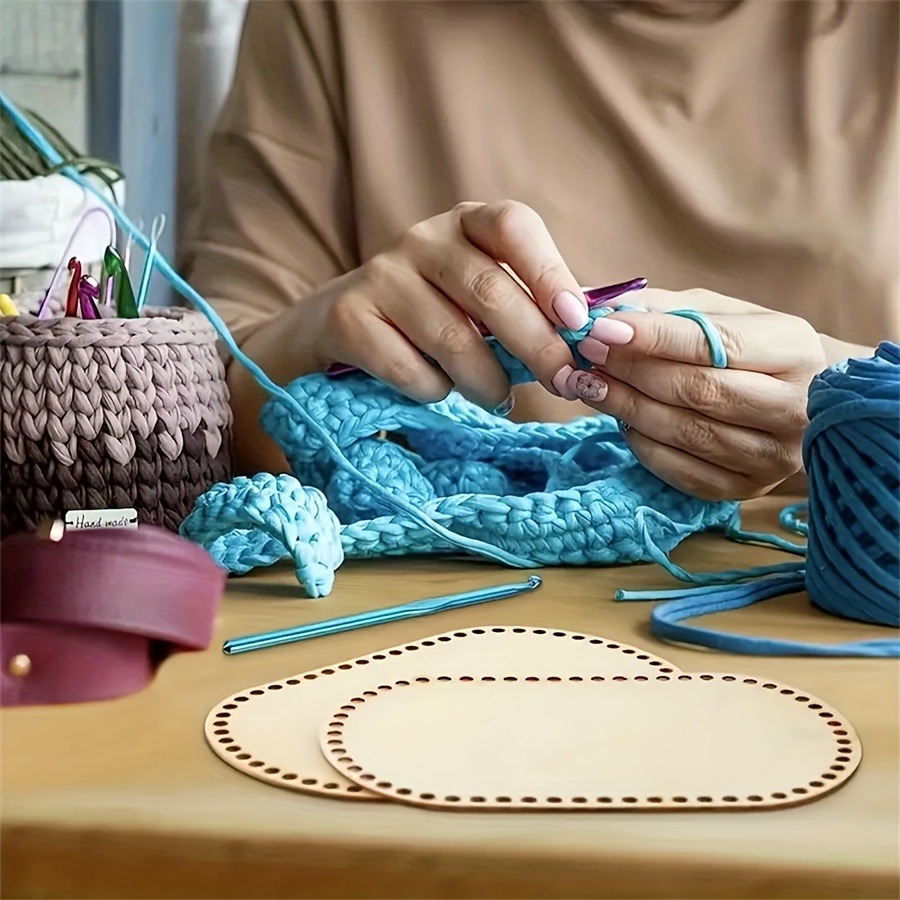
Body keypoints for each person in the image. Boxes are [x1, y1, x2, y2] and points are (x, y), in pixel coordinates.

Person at [183, 0, 897, 502]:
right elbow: (184, 414)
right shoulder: (337, 16)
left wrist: (856, 411)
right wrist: (309, 343)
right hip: (433, 643)